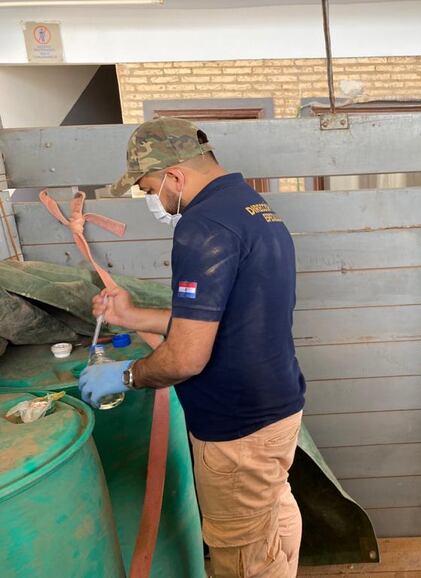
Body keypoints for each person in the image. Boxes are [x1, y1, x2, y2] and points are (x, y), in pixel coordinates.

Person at [78, 117, 306, 577]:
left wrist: (124, 376)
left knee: (243, 556)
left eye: (148, 189)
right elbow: (221, 322)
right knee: (273, 516)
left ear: (175, 176)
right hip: (278, 408)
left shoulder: (202, 227)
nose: (153, 201)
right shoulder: (255, 210)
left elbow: (186, 355)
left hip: (237, 427)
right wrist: (131, 316)